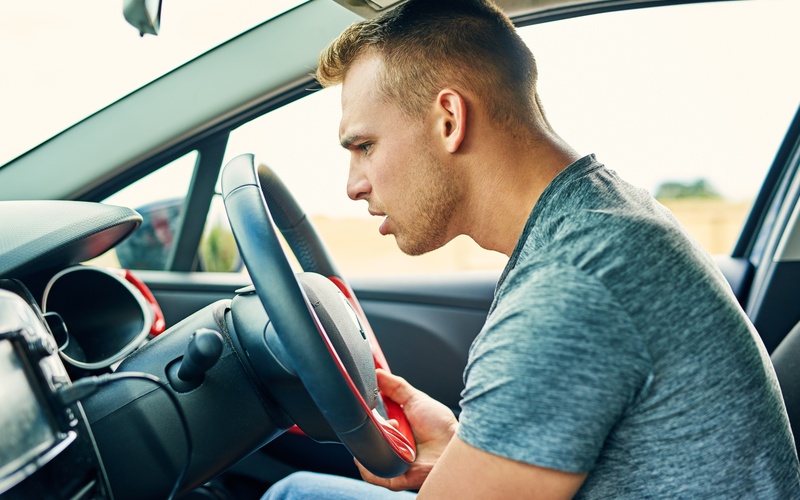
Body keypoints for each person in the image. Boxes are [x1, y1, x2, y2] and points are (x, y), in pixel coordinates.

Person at [264, 0, 800, 497]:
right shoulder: (604, 219)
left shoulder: (571, 285)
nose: (353, 185)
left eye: (364, 146)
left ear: (448, 119)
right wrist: (460, 447)